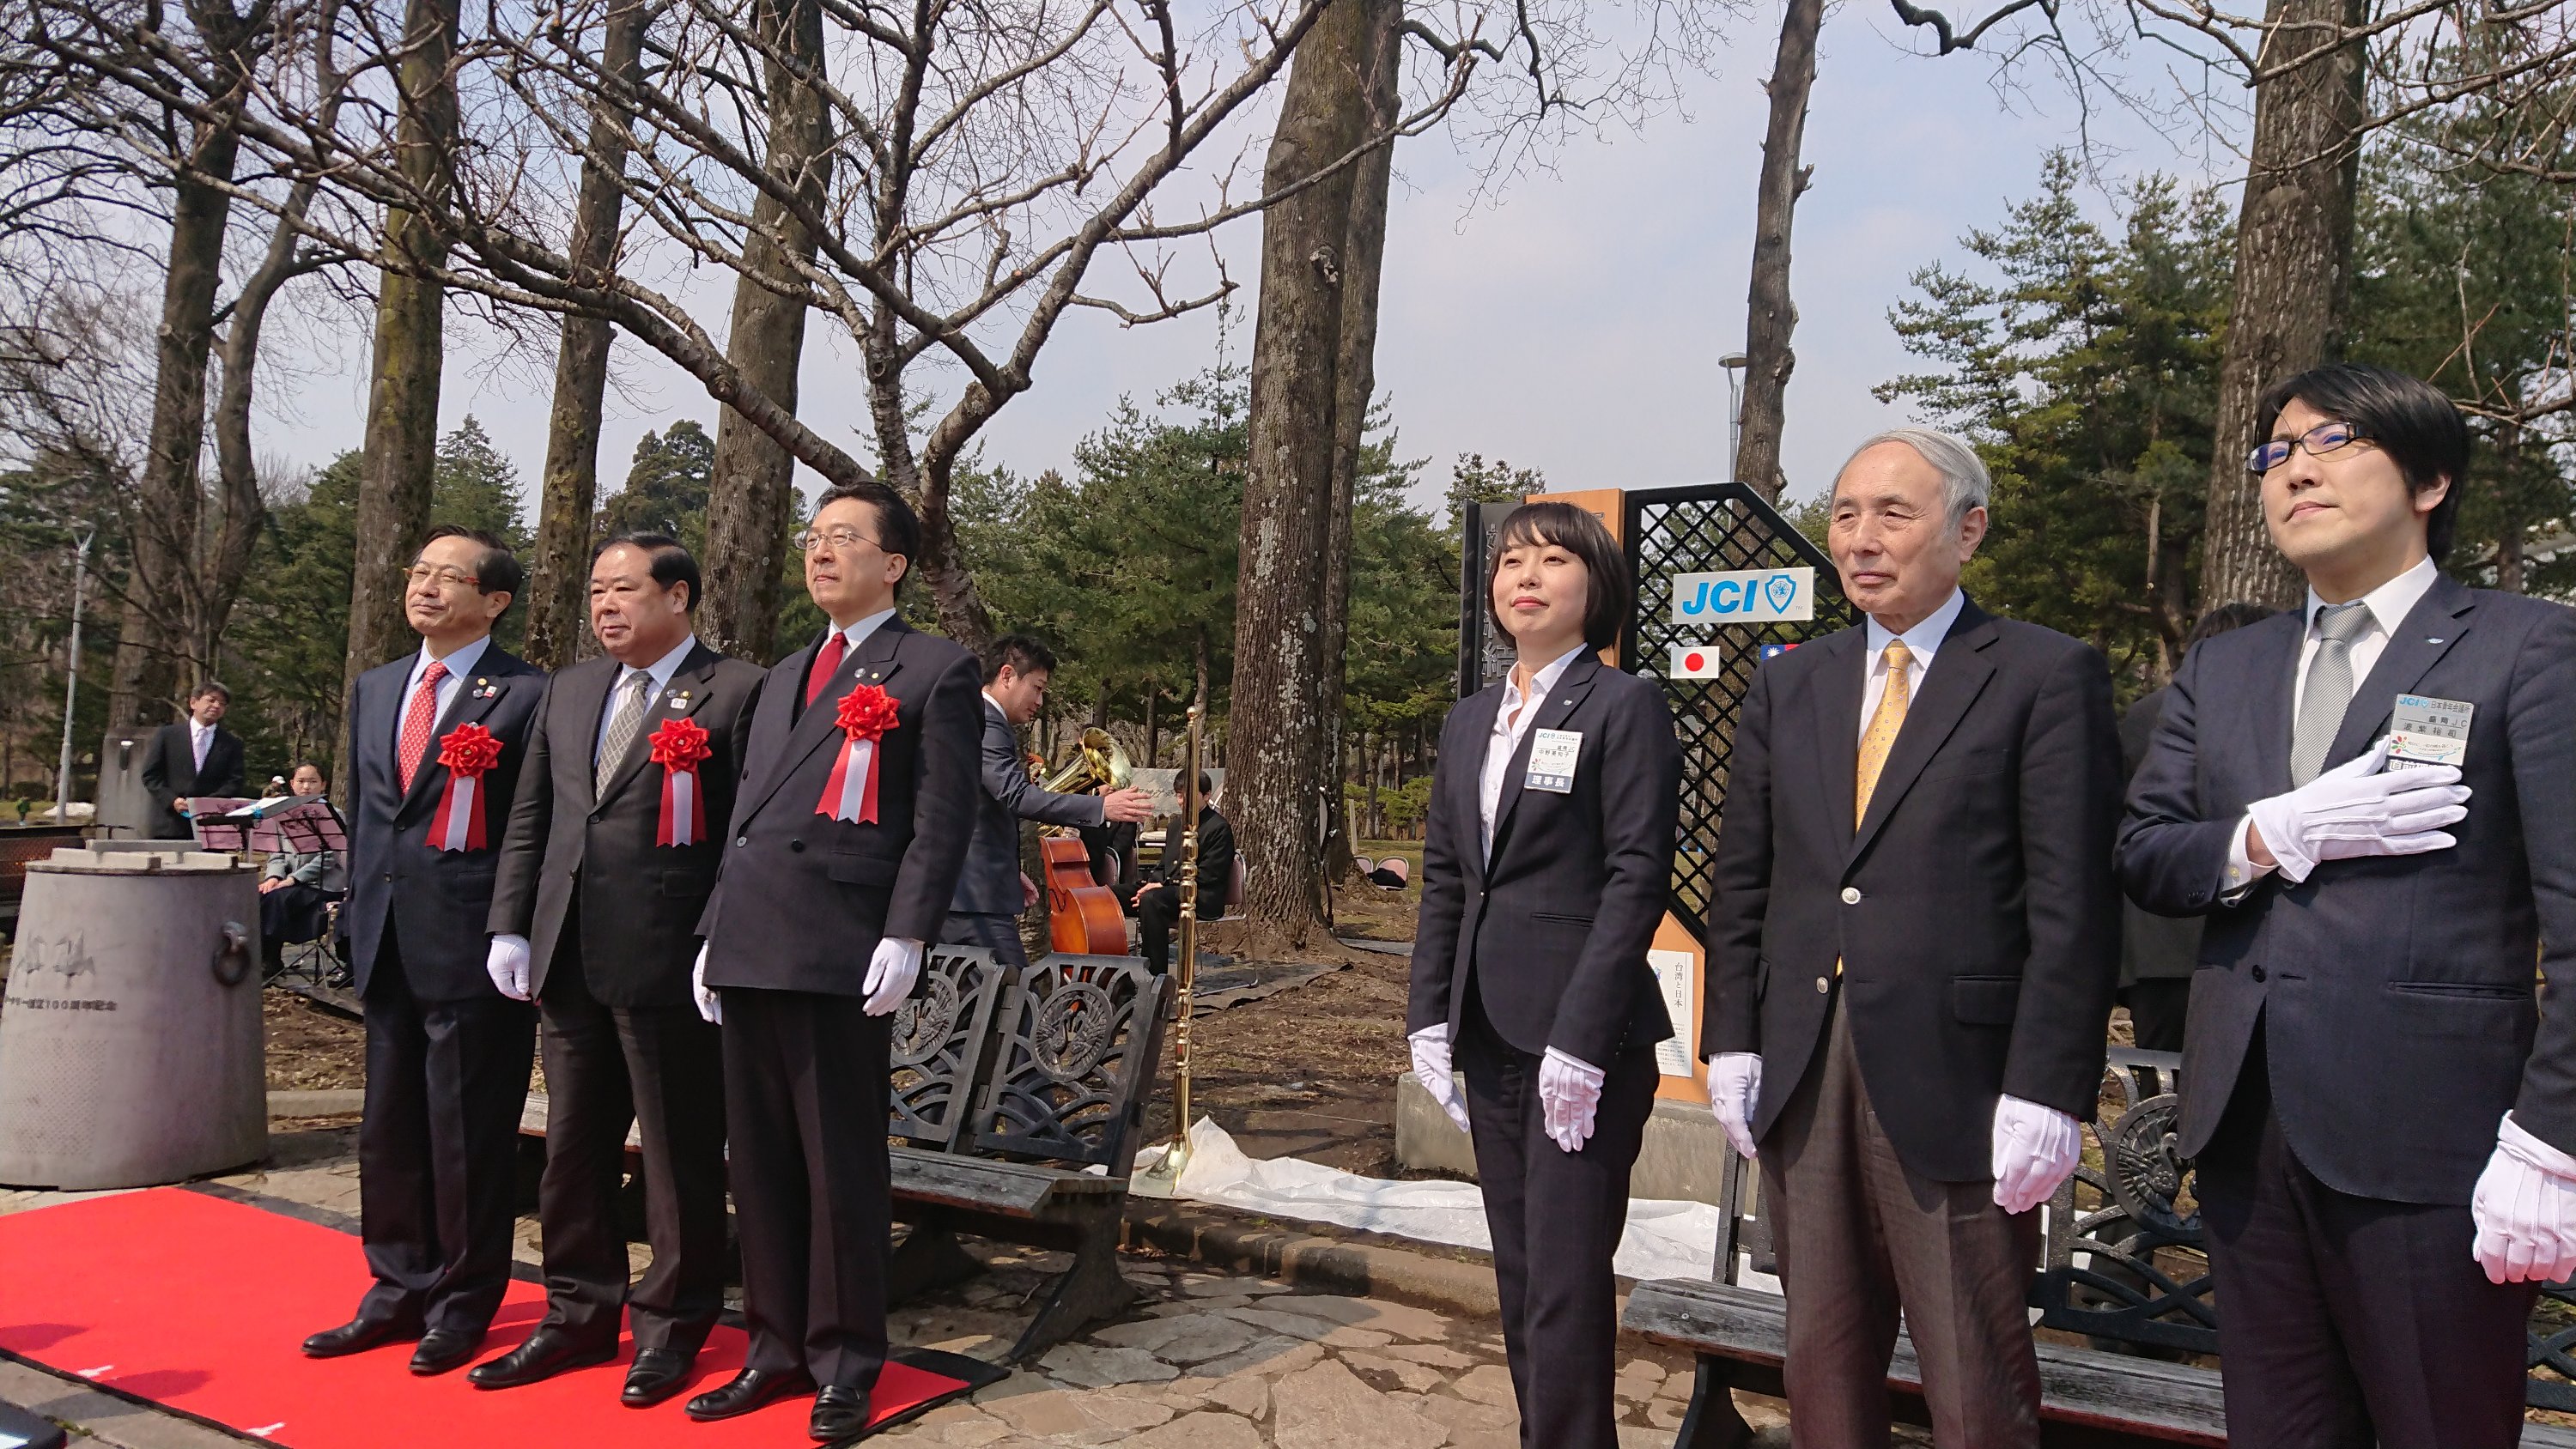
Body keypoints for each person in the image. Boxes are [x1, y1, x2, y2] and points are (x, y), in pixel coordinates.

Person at [2119, 363, 2576, 1446]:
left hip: (2435, 1140)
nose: (2296, 468)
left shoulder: (2524, 646)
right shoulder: (2227, 665)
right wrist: (2275, 830)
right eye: (2276, 451)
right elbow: (2147, 853)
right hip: (2245, 1131)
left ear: (2430, 478)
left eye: (2333, 441)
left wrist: (2553, 1137)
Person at [1702, 428, 2123, 1448]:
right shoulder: (1791, 681)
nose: (1861, 538)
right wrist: (1732, 1037)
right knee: (1825, 1355)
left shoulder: (2040, 673)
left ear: (1967, 528)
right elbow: (1745, 876)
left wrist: (2049, 1086)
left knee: (1973, 1371)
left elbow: (2072, 900)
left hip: (1961, 1074)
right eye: (1845, 514)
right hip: (1806, 1060)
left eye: (1894, 513)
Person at [683, 482, 980, 1440]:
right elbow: (746, 817)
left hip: (843, 947)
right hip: (753, 943)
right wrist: (712, 929)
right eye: (814, 538)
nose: (821, 552)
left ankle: (847, 1355)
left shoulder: (933, 669)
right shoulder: (783, 674)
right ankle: (771, 1345)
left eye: (844, 538)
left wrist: (910, 929)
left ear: (892, 563)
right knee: (759, 1163)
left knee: (839, 1162)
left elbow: (941, 819)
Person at [1407, 500, 1681, 1449]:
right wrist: (1428, 1015)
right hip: (1488, 1026)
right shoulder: (1473, 717)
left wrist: (1580, 1036)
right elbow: (1448, 872)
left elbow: (1636, 875)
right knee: (1521, 1270)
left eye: (1553, 558)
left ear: (1595, 584)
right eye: (1510, 559)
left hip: (1583, 1040)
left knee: (1567, 1277)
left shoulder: (1624, 705)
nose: (1525, 574)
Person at [470, 535, 764, 1407]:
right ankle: (577, 1312)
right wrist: (510, 925)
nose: (605, 605)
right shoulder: (570, 688)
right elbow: (534, 815)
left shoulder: (737, 691)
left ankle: (673, 1324)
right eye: (597, 590)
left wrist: (720, 937)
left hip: (670, 961)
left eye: (624, 589)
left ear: (678, 596)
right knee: (573, 1149)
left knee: (674, 1157)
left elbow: (742, 834)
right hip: (565, 957)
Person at [303, 526, 544, 1376]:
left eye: (452, 576)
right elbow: (372, 814)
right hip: (385, 936)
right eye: (421, 572)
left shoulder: (523, 694)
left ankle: (464, 1297)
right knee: (388, 1128)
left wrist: (514, 927)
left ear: (495, 600)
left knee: (466, 1132)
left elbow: (528, 825)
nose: (429, 587)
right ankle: (394, 1284)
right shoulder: (377, 686)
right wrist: (348, 907)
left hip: (474, 942)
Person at [2114, 603, 2269, 1053]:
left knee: (2156, 1100)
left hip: (2155, 940)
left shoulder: (2147, 713)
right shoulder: (2277, 719)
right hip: (2246, 938)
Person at [945, 634, 1152, 967]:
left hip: (973, 887)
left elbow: (975, 810)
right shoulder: (987, 722)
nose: (1040, 701)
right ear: (1007, 675)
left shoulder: (976, 718)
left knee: (981, 1008)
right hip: (973, 898)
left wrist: (1008, 870)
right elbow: (1014, 794)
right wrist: (1100, 807)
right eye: (1038, 688)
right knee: (1011, 1005)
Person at [1130, 774, 1235, 976]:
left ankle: (1154, 978)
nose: (1182, 801)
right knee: (1111, 896)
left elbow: (1210, 875)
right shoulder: (1176, 826)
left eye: (1188, 796)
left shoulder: (1219, 828)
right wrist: (1152, 883)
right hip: (1169, 892)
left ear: (1206, 796)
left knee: (1152, 900)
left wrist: (1163, 886)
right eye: (1179, 796)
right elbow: (1163, 866)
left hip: (1201, 896)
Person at [258, 762, 345, 968]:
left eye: (312, 781)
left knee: (279, 898)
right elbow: (277, 853)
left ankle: (269, 961)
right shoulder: (283, 813)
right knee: (262, 894)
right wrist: (274, 877)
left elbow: (329, 857)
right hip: (289, 882)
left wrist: (293, 879)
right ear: (292, 784)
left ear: (323, 785)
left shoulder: (334, 814)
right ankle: (265, 955)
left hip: (323, 884)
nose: (306, 786)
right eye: (301, 781)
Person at [141, 682, 246, 839]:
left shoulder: (231, 744)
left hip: (210, 827)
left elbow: (235, 781)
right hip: (169, 824)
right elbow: (151, 775)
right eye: (211, 700)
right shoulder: (168, 735)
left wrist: (206, 805)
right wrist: (172, 800)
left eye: (222, 704)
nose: (216, 706)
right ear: (193, 702)